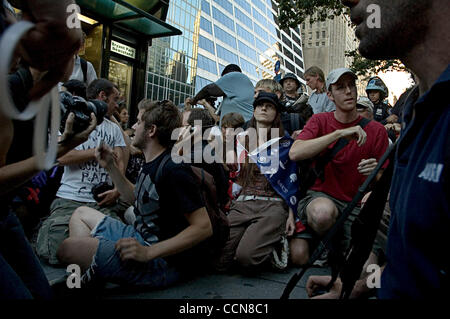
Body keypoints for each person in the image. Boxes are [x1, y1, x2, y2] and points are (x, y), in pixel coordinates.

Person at [307, 0, 449, 299]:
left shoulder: (383, 128)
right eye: (340, 87)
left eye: (353, 87)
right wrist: (355, 286)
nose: (346, 1)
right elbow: (413, 260)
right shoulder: (417, 113)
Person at [56, 100, 212, 289]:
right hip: (139, 237)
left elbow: (203, 227)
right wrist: (111, 167)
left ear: (151, 130)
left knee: (68, 249)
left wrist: (149, 253)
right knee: (81, 214)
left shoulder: (174, 169)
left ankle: (87, 277)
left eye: (138, 122)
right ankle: (93, 273)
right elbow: (137, 199)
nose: (133, 126)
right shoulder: (152, 161)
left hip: (161, 262)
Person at [0, 0, 94, 299]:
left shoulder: (42, 94)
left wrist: (63, 146)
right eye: (75, 53)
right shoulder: (12, 88)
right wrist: (57, 152)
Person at [288, 68, 389, 267]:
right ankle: (329, 244)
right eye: (340, 88)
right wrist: (337, 135)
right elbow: (295, 152)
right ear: (329, 95)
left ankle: (341, 249)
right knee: (322, 213)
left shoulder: (376, 130)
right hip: (321, 197)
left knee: (367, 269)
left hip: (357, 204)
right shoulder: (319, 120)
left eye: (351, 85)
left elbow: (386, 181)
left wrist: (376, 173)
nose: (348, 91)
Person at [36, 79, 127, 265]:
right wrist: (95, 153)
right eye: (114, 99)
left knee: (118, 241)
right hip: (70, 201)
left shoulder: (114, 129)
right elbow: (61, 157)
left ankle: (90, 258)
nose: (117, 105)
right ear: (102, 96)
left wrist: (118, 189)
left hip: (102, 203)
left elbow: (121, 161)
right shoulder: (70, 119)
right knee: (56, 242)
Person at [216, 92, 295, 271]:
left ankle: (274, 240)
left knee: (247, 258)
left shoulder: (286, 142)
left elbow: (291, 181)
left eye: (270, 106)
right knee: (219, 261)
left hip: (272, 205)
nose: (264, 108)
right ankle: (256, 238)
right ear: (254, 111)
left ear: (277, 113)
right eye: (260, 105)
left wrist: (291, 215)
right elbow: (233, 171)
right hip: (243, 203)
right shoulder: (239, 139)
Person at [189, 64, 254, 124]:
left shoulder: (237, 76)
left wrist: (194, 100)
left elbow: (208, 89)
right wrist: (204, 103)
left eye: (224, 78)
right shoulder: (231, 99)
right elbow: (218, 118)